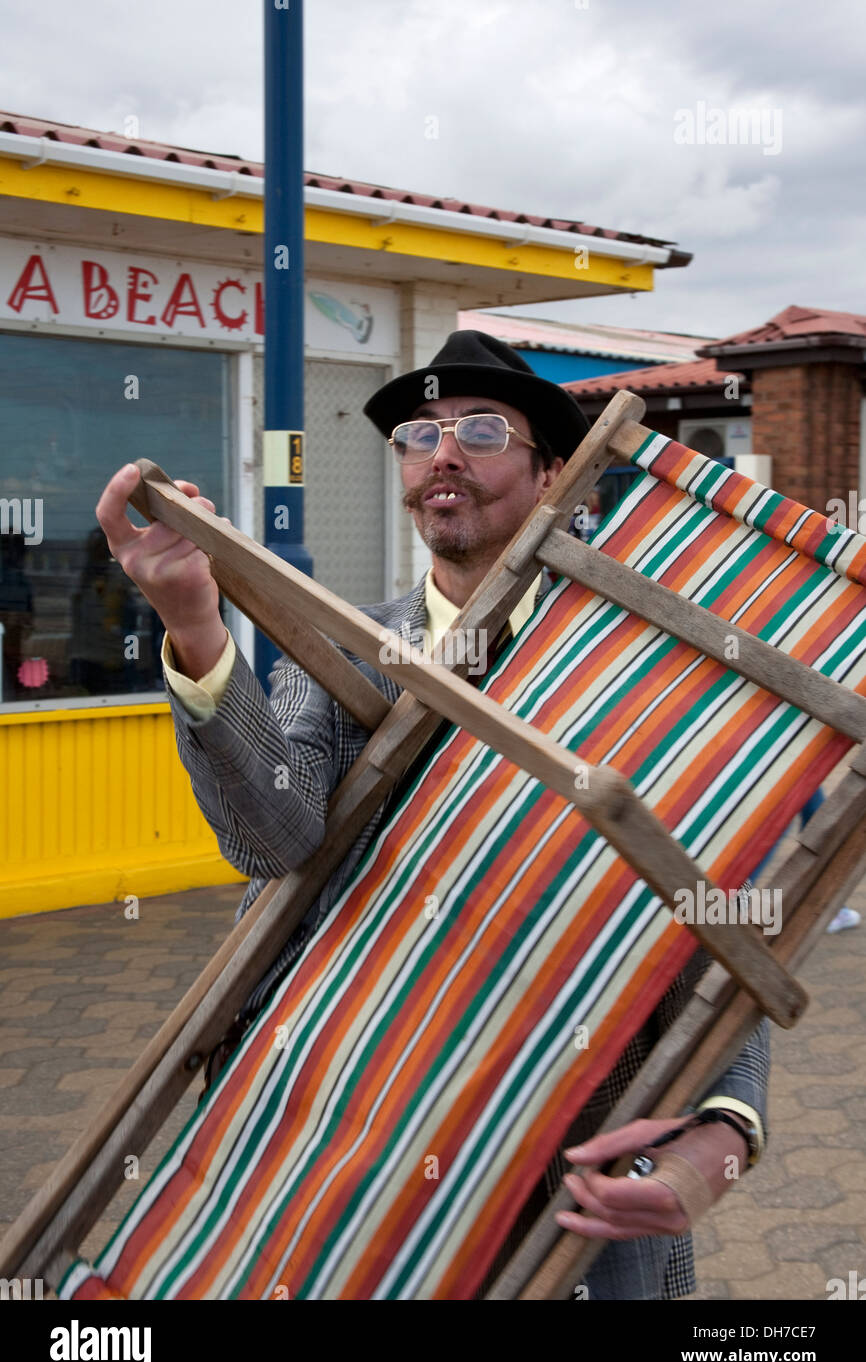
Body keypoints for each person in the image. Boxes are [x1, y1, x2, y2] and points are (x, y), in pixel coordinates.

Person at [95, 329, 769, 1300]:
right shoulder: (348, 651)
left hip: (570, 1153)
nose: (441, 452)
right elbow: (267, 840)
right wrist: (196, 625)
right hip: (346, 1143)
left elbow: (708, 908)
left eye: (481, 429)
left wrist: (722, 1123)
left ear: (551, 475)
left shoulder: (644, 674)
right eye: (419, 434)